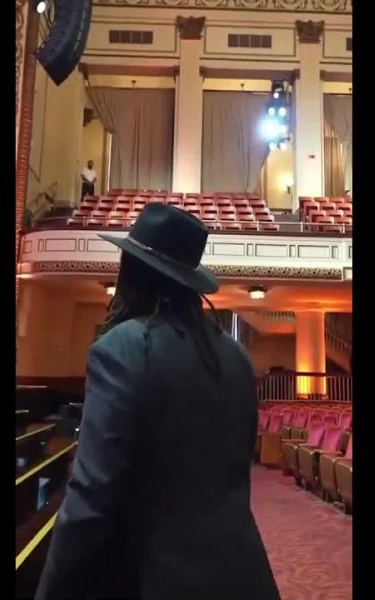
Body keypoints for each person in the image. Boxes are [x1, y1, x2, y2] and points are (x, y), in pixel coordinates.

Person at [36, 204, 280, 600]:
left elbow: (90, 502)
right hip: (244, 575)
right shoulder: (237, 357)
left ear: (133, 270)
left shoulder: (123, 348)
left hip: (158, 579)